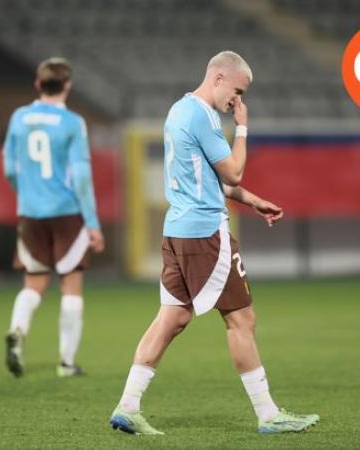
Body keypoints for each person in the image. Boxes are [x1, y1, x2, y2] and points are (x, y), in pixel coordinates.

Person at [109, 51, 320, 435]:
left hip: (176, 231)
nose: (236, 102)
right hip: (205, 233)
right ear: (219, 77)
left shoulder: (178, 110)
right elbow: (234, 172)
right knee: (242, 319)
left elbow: (207, 178)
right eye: (236, 92)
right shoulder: (204, 117)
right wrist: (242, 127)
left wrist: (254, 201)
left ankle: (127, 406)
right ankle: (269, 414)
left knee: (172, 317)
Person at [2, 57, 104, 378]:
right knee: (71, 285)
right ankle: (66, 362)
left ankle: (17, 333)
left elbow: (8, 168)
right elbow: (83, 176)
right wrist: (93, 223)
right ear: (68, 86)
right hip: (66, 212)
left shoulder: (19, 117)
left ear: (38, 84)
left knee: (34, 283)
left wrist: (27, 192)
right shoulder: (73, 123)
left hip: (31, 213)